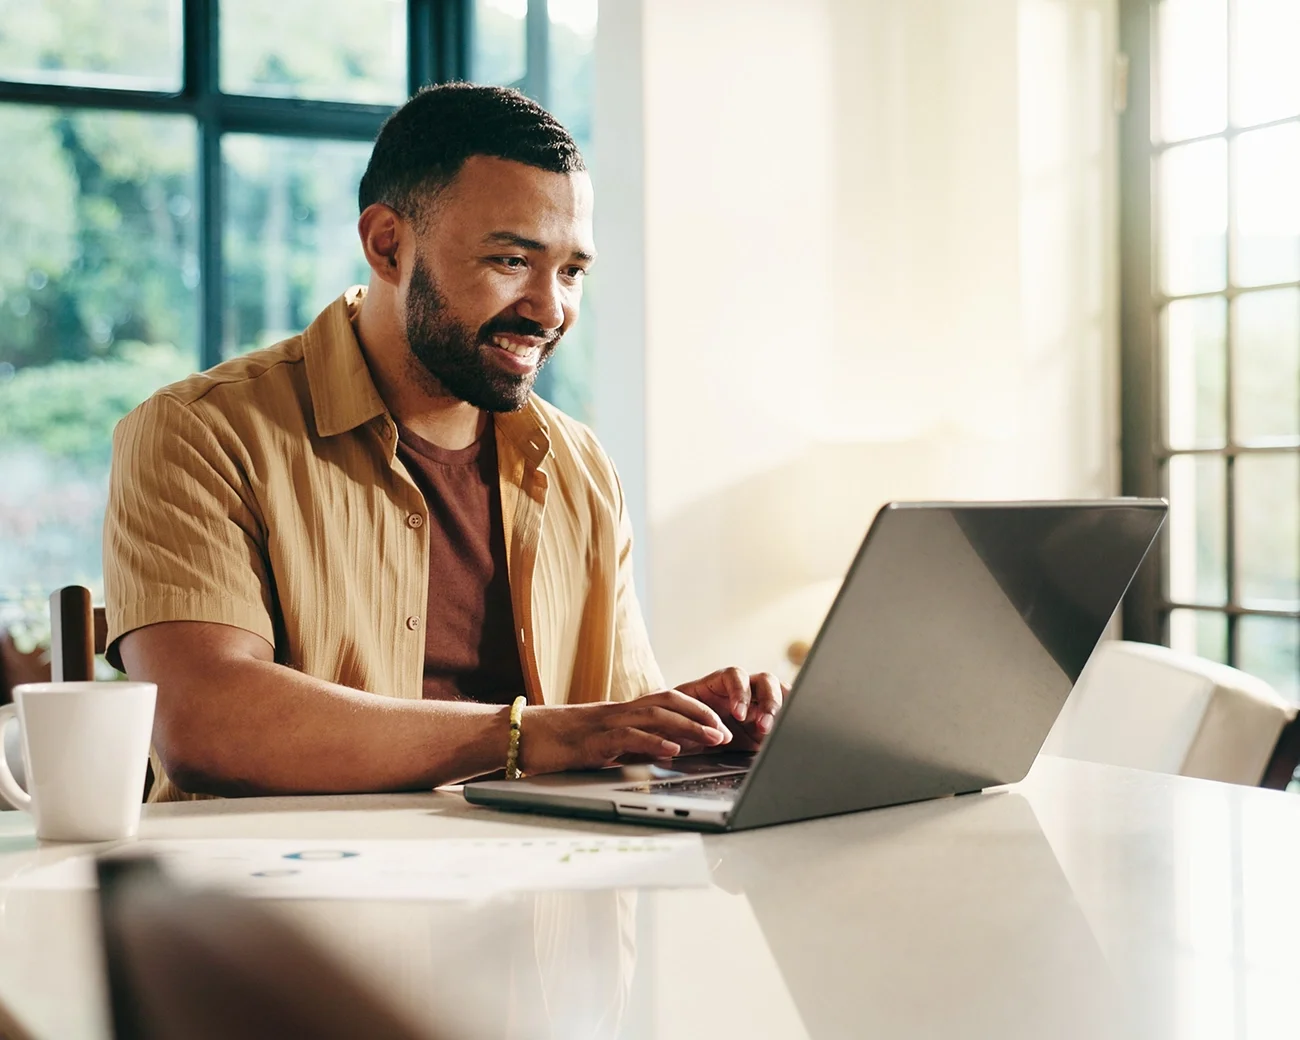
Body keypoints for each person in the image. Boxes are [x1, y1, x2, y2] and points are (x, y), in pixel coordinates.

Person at [104, 84, 785, 801]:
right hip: (283, 899)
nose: (551, 309)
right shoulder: (201, 433)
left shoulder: (582, 468)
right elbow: (203, 723)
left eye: (572, 271)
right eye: (510, 261)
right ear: (388, 244)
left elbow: (600, 727)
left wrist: (689, 734)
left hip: (538, 894)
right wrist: (532, 736)